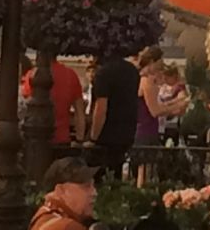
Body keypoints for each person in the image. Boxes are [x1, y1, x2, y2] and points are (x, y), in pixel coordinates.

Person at [87, 51, 140, 180]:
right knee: (117, 172)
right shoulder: (132, 71)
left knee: (98, 175)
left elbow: (101, 107)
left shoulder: (103, 74)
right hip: (127, 131)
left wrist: (93, 137)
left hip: (106, 134)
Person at [22, 57, 87, 153]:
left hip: (36, 140)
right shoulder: (70, 75)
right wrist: (79, 140)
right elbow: (80, 113)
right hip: (62, 139)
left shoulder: (33, 75)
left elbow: (25, 108)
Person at [28, 156, 96, 230]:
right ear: (61, 190)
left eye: (93, 186)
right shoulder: (67, 227)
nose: (94, 193)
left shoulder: (43, 216)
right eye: (86, 187)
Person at [135, 46, 185, 146]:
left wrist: (175, 102)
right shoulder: (146, 81)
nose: (161, 65)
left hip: (149, 131)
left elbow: (157, 104)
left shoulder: (144, 79)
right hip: (145, 133)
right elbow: (155, 111)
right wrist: (177, 106)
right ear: (152, 62)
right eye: (159, 61)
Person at [157, 66, 189, 144]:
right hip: (161, 121)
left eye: (167, 78)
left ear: (174, 77)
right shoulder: (163, 87)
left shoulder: (179, 87)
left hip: (172, 121)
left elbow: (182, 98)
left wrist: (169, 103)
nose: (165, 80)